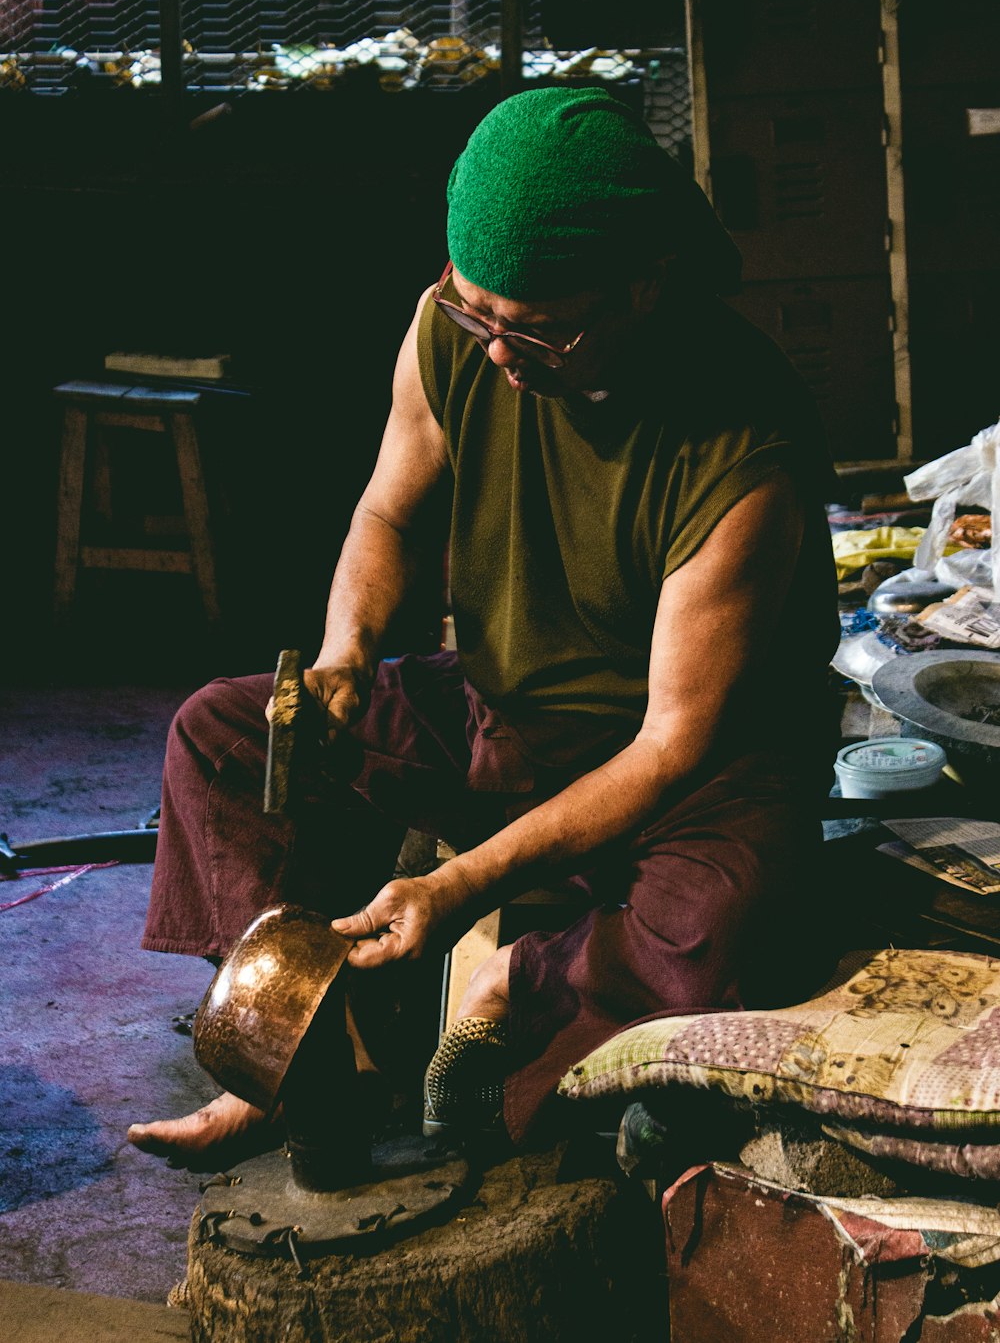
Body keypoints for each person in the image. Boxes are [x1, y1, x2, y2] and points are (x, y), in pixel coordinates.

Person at [128, 86, 840, 1163]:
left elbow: (667, 746)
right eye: (478, 314)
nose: (499, 354)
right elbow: (386, 510)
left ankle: (523, 978)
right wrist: (344, 656)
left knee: (723, 926)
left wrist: (458, 888)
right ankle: (300, 1039)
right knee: (216, 737)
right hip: (501, 710)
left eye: (540, 329)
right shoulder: (449, 333)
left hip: (696, 770)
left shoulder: (745, 453)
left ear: (644, 285)